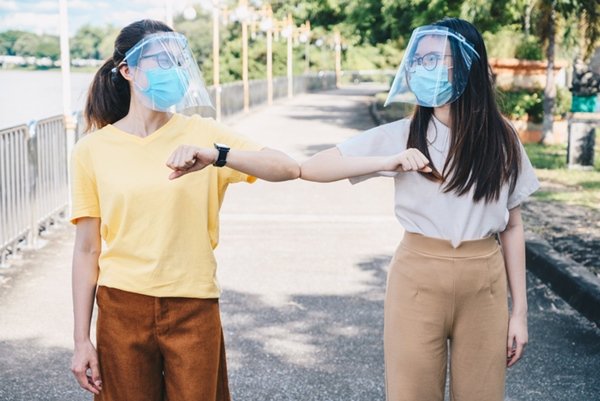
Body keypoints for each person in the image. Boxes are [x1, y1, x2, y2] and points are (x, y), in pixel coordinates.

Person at [301, 18, 539, 401]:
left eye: (433, 60)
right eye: (417, 60)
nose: (420, 69)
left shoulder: (503, 139)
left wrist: (520, 314)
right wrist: (388, 162)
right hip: (416, 277)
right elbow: (312, 168)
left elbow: (511, 226)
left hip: (485, 284)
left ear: (466, 65)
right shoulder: (401, 133)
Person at [69, 19, 299, 401]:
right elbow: (86, 249)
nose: (173, 71)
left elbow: (287, 167)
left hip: (194, 304)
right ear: (126, 70)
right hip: (121, 306)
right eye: (161, 61)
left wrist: (218, 156)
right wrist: (81, 340)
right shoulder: (91, 151)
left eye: (179, 61)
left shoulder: (203, 133)